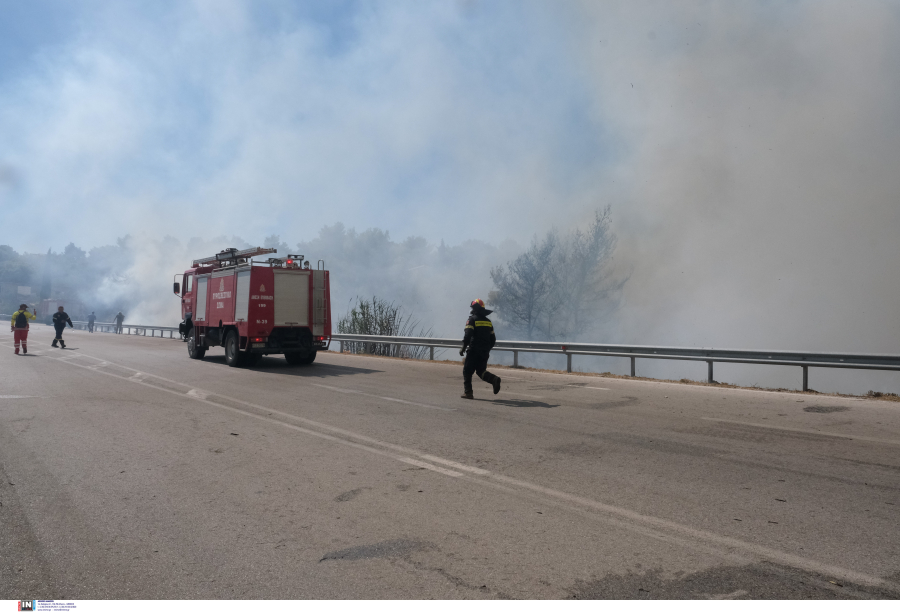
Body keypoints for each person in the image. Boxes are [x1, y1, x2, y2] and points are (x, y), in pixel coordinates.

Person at [459, 298, 501, 399]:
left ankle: (468, 392)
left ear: (475, 309)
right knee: (481, 371)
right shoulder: (488, 322)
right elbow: (493, 339)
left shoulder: (472, 320)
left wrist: (463, 347)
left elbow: (468, 335)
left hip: (474, 350)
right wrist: (486, 349)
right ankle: (494, 379)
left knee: (467, 371)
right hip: (485, 351)